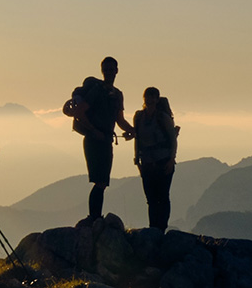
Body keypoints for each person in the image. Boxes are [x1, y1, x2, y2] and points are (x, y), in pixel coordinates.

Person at [71, 57, 134, 223]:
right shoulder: (96, 91)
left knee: (102, 181)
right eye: (106, 70)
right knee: (100, 180)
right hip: (94, 140)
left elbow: (119, 120)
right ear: (102, 71)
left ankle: (95, 217)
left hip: (105, 139)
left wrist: (133, 131)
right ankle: (94, 217)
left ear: (116, 71)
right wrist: (94, 130)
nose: (109, 73)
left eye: (111, 69)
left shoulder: (117, 94)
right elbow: (79, 112)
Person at [133, 87, 178, 231]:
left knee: (162, 196)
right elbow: (137, 139)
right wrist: (137, 160)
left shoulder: (162, 117)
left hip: (163, 162)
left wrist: (171, 160)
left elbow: (173, 140)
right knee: (151, 199)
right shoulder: (139, 117)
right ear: (144, 99)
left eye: (153, 97)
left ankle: (161, 228)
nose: (150, 100)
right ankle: (154, 228)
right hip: (147, 163)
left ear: (157, 100)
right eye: (148, 97)